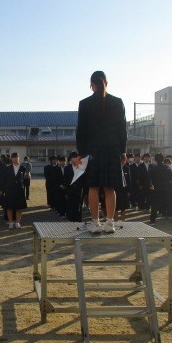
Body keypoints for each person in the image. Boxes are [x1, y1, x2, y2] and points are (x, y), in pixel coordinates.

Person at [76, 70, 127, 233]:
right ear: (106, 83)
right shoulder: (117, 102)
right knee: (110, 187)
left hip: (92, 151)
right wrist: (123, 151)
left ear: (92, 85)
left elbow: (80, 131)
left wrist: (80, 152)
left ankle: (95, 223)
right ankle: (110, 223)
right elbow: (122, 129)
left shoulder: (84, 104)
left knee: (93, 187)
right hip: (112, 150)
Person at [0, 152, 27, 229]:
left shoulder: (23, 168)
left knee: (19, 207)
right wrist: (2, 190)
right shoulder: (7, 168)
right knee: (9, 207)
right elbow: (3, 181)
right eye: (13, 157)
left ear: (19, 158)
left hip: (19, 190)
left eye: (16, 157)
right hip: (9, 190)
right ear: (11, 159)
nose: (15, 159)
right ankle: (11, 222)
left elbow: (24, 180)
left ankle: (17, 222)